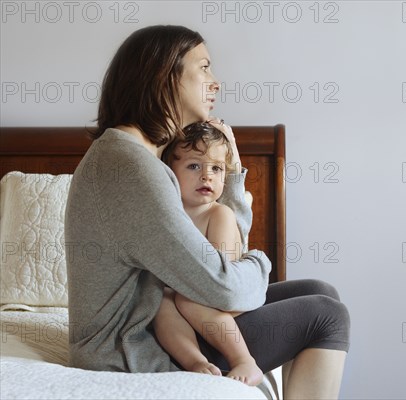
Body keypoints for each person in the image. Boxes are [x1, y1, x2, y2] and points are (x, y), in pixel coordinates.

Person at [65, 25, 350, 399]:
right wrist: (259, 264)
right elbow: (224, 287)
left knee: (319, 290)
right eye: (203, 68)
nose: (215, 82)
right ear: (164, 76)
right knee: (327, 316)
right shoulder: (132, 169)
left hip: (157, 323)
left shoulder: (135, 157)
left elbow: (221, 257)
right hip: (136, 348)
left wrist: (231, 176)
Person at [155, 121, 262, 385]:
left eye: (216, 168)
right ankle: (195, 361)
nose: (207, 176)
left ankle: (243, 360)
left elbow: (221, 278)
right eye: (194, 166)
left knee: (185, 299)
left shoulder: (219, 214)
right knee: (160, 302)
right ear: (169, 172)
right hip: (183, 300)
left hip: (221, 300)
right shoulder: (166, 214)